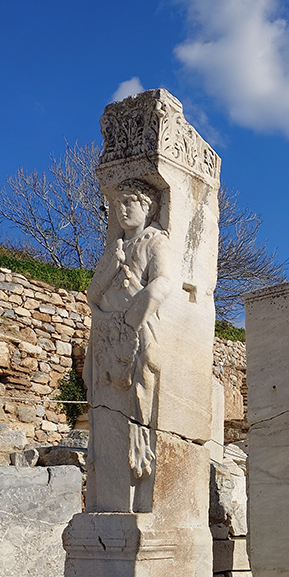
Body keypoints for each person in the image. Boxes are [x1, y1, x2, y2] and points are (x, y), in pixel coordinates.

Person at [85, 177, 171, 478]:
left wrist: (130, 320)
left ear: (148, 207)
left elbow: (162, 283)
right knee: (98, 390)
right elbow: (92, 294)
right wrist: (111, 268)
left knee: (142, 380)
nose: (121, 209)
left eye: (128, 202)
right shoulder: (115, 248)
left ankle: (139, 446)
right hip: (105, 333)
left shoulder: (155, 241)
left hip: (134, 328)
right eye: (117, 203)